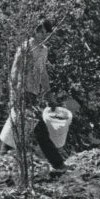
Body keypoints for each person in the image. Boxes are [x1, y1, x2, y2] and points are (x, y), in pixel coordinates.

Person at [8, 19, 68, 175]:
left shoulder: (43, 50)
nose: (44, 34)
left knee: (22, 126)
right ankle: (58, 163)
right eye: (41, 30)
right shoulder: (25, 48)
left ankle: (3, 158)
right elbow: (14, 71)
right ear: (35, 30)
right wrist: (14, 94)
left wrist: (49, 93)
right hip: (22, 92)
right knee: (39, 128)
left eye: (46, 31)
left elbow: (43, 73)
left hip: (33, 93)